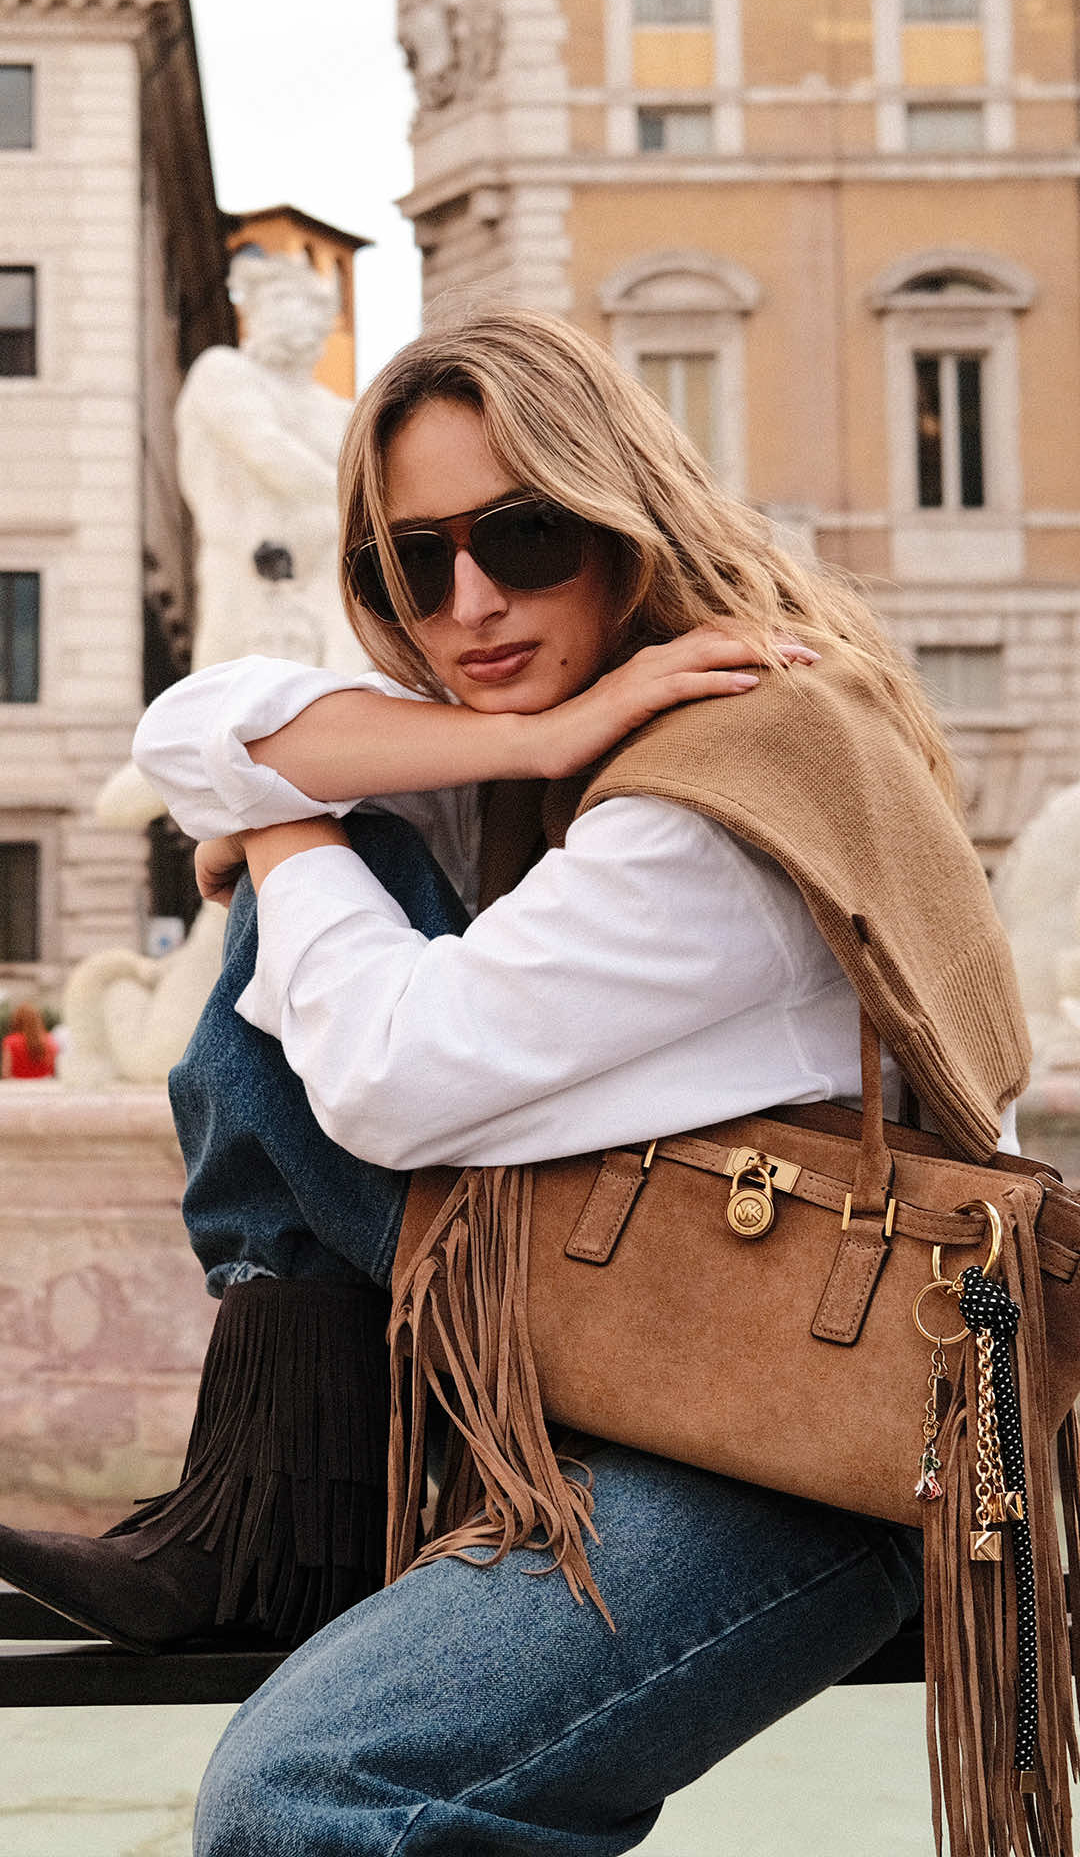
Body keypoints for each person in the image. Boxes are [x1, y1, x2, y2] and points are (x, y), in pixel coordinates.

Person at [0, 308, 1027, 1856]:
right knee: (351, 855)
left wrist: (287, 830)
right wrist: (533, 736)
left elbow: (393, 1078)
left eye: (525, 538)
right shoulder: (568, 754)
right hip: (640, 1378)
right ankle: (266, 1505)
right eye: (416, 564)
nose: (470, 602)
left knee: (315, 1790)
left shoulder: (716, 786)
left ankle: (275, 1510)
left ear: (625, 522)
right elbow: (193, 729)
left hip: (812, 1447)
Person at [1, 1002, 58, 1080]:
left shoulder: (10, 1042)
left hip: (17, 1086)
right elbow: (53, 1072)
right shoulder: (49, 1040)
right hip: (43, 1086)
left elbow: (6, 1073)